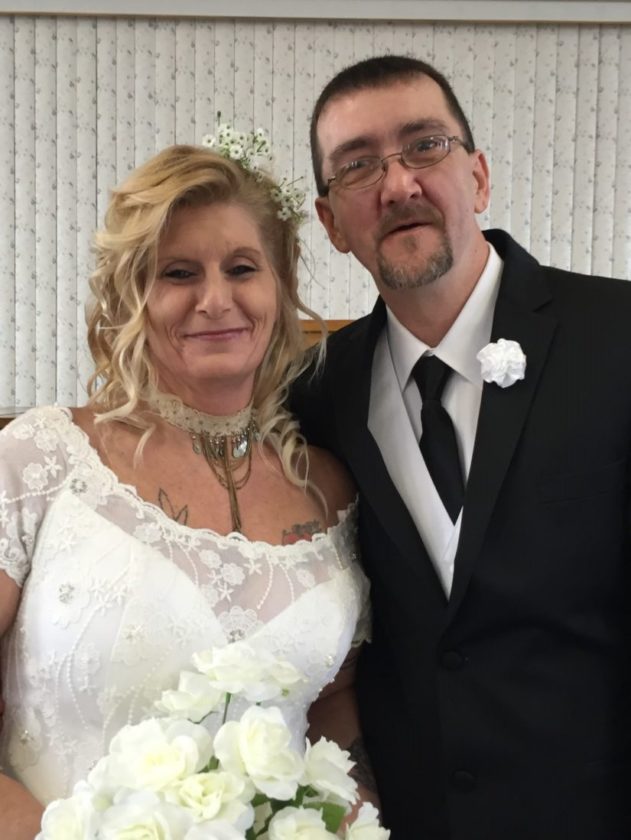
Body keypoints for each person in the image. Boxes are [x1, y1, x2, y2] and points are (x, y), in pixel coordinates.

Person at [290, 54, 631, 839]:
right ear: (331, 223)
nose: (396, 184)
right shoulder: (314, 395)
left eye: (424, 146)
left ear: (477, 177)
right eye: (357, 165)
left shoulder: (616, 337)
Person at [0, 140, 372, 839]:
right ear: (131, 294)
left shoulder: (332, 490)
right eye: (178, 273)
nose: (216, 299)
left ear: (279, 285)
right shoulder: (42, 458)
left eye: (242, 268)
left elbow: (333, 703)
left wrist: (347, 816)